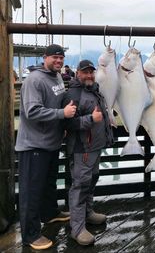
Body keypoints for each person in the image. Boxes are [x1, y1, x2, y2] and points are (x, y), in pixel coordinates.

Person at [15, 44, 77, 250]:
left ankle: (50, 213)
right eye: (54, 58)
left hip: (51, 143)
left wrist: (63, 124)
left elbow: (59, 104)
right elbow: (32, 111)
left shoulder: (57, 77)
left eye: (61, 58)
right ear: (45, 58)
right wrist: (62, 115)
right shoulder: (34, 80)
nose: (58, 61)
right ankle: (30, 235)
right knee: (31, 192)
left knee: (49, 183)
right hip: (33, 145)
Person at [62, 59, 114, 246]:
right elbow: (67, 123)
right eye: (85, 72)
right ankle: (77, 229)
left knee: (91, 181)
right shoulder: (74, 94)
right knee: (80, 187)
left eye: (91, 72)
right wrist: (91, 119)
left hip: (95, 147)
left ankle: (88, 214)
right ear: (78, 73)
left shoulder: (94, 90)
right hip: (81, 149)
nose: (89, 75)